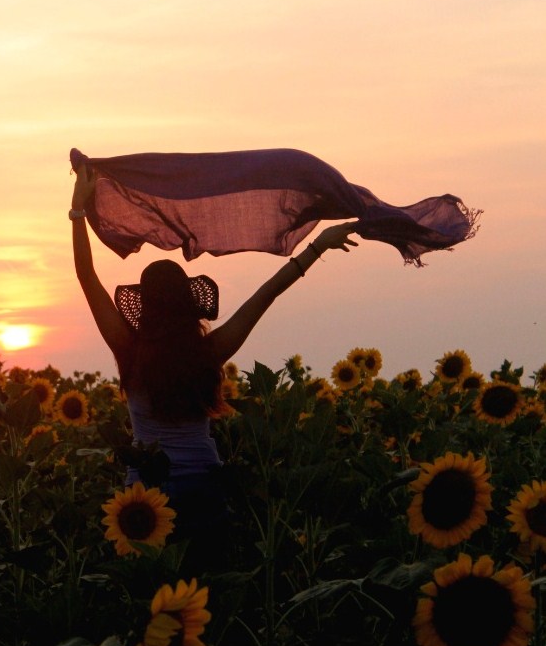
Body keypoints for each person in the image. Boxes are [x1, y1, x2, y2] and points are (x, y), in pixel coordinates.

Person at [69, 161, 359, 560]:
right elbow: (267, 293)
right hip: (205, 487)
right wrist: (317, 246)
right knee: (211, 592)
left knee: (153, 599)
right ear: (191, 306)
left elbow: (87, 275)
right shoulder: (209, 352)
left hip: (144, 500)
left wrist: (78, 211)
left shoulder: (127, 349)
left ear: (146, 308)